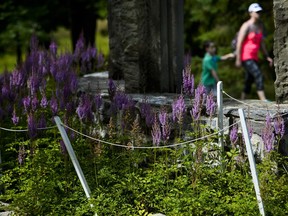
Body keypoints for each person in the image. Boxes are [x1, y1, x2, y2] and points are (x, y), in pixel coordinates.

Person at [235, 3, 273, 101]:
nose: (259, 14)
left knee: (249, 78)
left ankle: (242, 99)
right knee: (258, 74)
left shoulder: (260, 25)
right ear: (250, 13)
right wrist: (238, 59)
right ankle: (263, 99)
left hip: (254, 56)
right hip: (245, 56)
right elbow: (239, 43)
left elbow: (261, 44)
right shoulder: (246, 25)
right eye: (257, 12)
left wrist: (266, 56)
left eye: (260, 12)